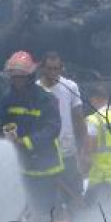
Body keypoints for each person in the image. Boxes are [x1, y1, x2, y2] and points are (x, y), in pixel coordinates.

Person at [0, 50, 65, 222]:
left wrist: (26, 142)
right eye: (13, 76)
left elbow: (53, 129)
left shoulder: (45, 99)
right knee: (26, 208)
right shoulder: (7, 99)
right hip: (22, 165)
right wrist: (7, 136)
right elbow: (2, 124)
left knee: (48, 210)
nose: (16, 81)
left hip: (46, 166)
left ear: (29, 76)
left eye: (20, 77)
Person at [37, 51, 87, 202]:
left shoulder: (70, 87)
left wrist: (82, 149)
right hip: (44, 153)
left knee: (74, 195)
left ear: (61, 68)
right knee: (46, 197)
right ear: (42, 69)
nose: (53, 72)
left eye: (56, 68)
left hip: (67, 151)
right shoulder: (35, 89)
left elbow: (79, 118)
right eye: (49, 68)